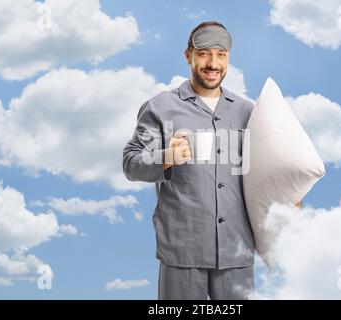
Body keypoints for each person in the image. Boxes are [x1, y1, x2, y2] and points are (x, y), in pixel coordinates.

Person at [123, 21, 300, 300]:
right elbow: (131, 163)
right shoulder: (159, 107)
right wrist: (165, 157)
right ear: (188, 55)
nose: (212, 63)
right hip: (182, 251)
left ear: (229, 58)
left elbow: (264, 168)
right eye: (204, 53)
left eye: (221, 54)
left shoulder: (247, 112)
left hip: (236, 249)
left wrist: (287, 194)